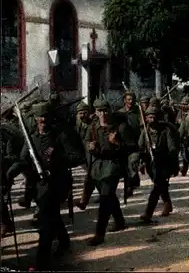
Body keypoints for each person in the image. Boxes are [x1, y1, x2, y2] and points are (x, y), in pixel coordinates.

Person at [20, 102, 85, 270]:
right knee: (52, 215)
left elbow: (76, 157)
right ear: (35, 118)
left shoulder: (61, 135)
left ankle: (42, 261)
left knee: (45, 221)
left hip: (58, 183)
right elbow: (22, 160)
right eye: (40, 117)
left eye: (46, 117)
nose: (43, 120)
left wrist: (56, 162)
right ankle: (64, 241)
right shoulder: (31, 137)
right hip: (39, 185)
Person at [85, 98, 135, 246]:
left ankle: (99, 234)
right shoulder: (93, 127)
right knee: (109, 195)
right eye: (100, 111)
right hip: (98, 166)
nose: (103, 114)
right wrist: (90, 147)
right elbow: (87, 142)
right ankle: (120, 221)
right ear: (95, 112)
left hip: (114, 165)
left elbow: (132, 147)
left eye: (105, 110)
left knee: (105, 198)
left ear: (110, 110)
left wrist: (117, 143)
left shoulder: (121, 127)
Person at [139, 106, 179, 223]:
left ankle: (148, 213)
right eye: (150, 117)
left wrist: (174, 165)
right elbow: (140, 148)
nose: (153, 120)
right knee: (160, 184)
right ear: (146, 118)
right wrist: (142, 162)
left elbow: (172, 149)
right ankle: (168, 203)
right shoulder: (145, 132)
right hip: (151, 164)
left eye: (155, 117)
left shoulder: (165, 131)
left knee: (157, 187)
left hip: (164, 163)